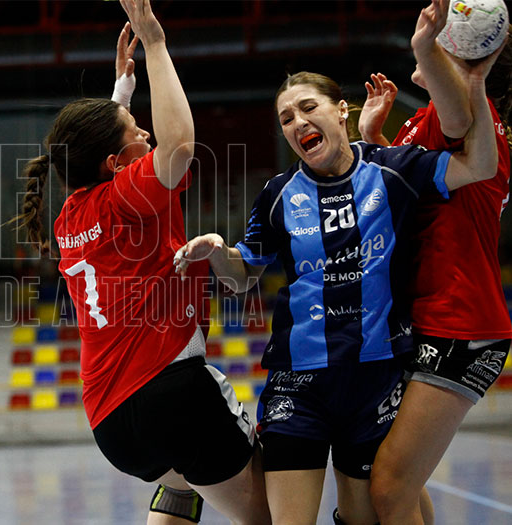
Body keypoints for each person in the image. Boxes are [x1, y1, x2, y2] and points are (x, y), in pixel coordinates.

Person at [173, 53, 499, 523]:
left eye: (308, 108)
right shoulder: (278, 194)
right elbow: (241, 277)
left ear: (341, 110)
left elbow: (480, 165)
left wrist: (476, 82)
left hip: (374, 379)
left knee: (368, 514)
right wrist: (218, 251)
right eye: (287, 118)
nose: (297, 122)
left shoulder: (393, 169)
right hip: (299, 383)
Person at [8, 1, 269, 523]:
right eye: (136, 129)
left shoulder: (69, 218)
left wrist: (121, 96)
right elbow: (180, 145)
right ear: (116, 164)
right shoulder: (127, 197)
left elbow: (96, 157)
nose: (148, 135)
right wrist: (155, 43)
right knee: (272, 510)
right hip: (171, 390)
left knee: (184, 488)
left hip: (111, 424)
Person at [357, 1, 512, 523]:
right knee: (396, 483)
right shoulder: (421, 124)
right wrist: (375, 140)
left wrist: (426, 45)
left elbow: (459, 113)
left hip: (460, 323)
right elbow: (403, 195)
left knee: (389, 486)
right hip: (429, 319)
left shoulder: (469, 117)